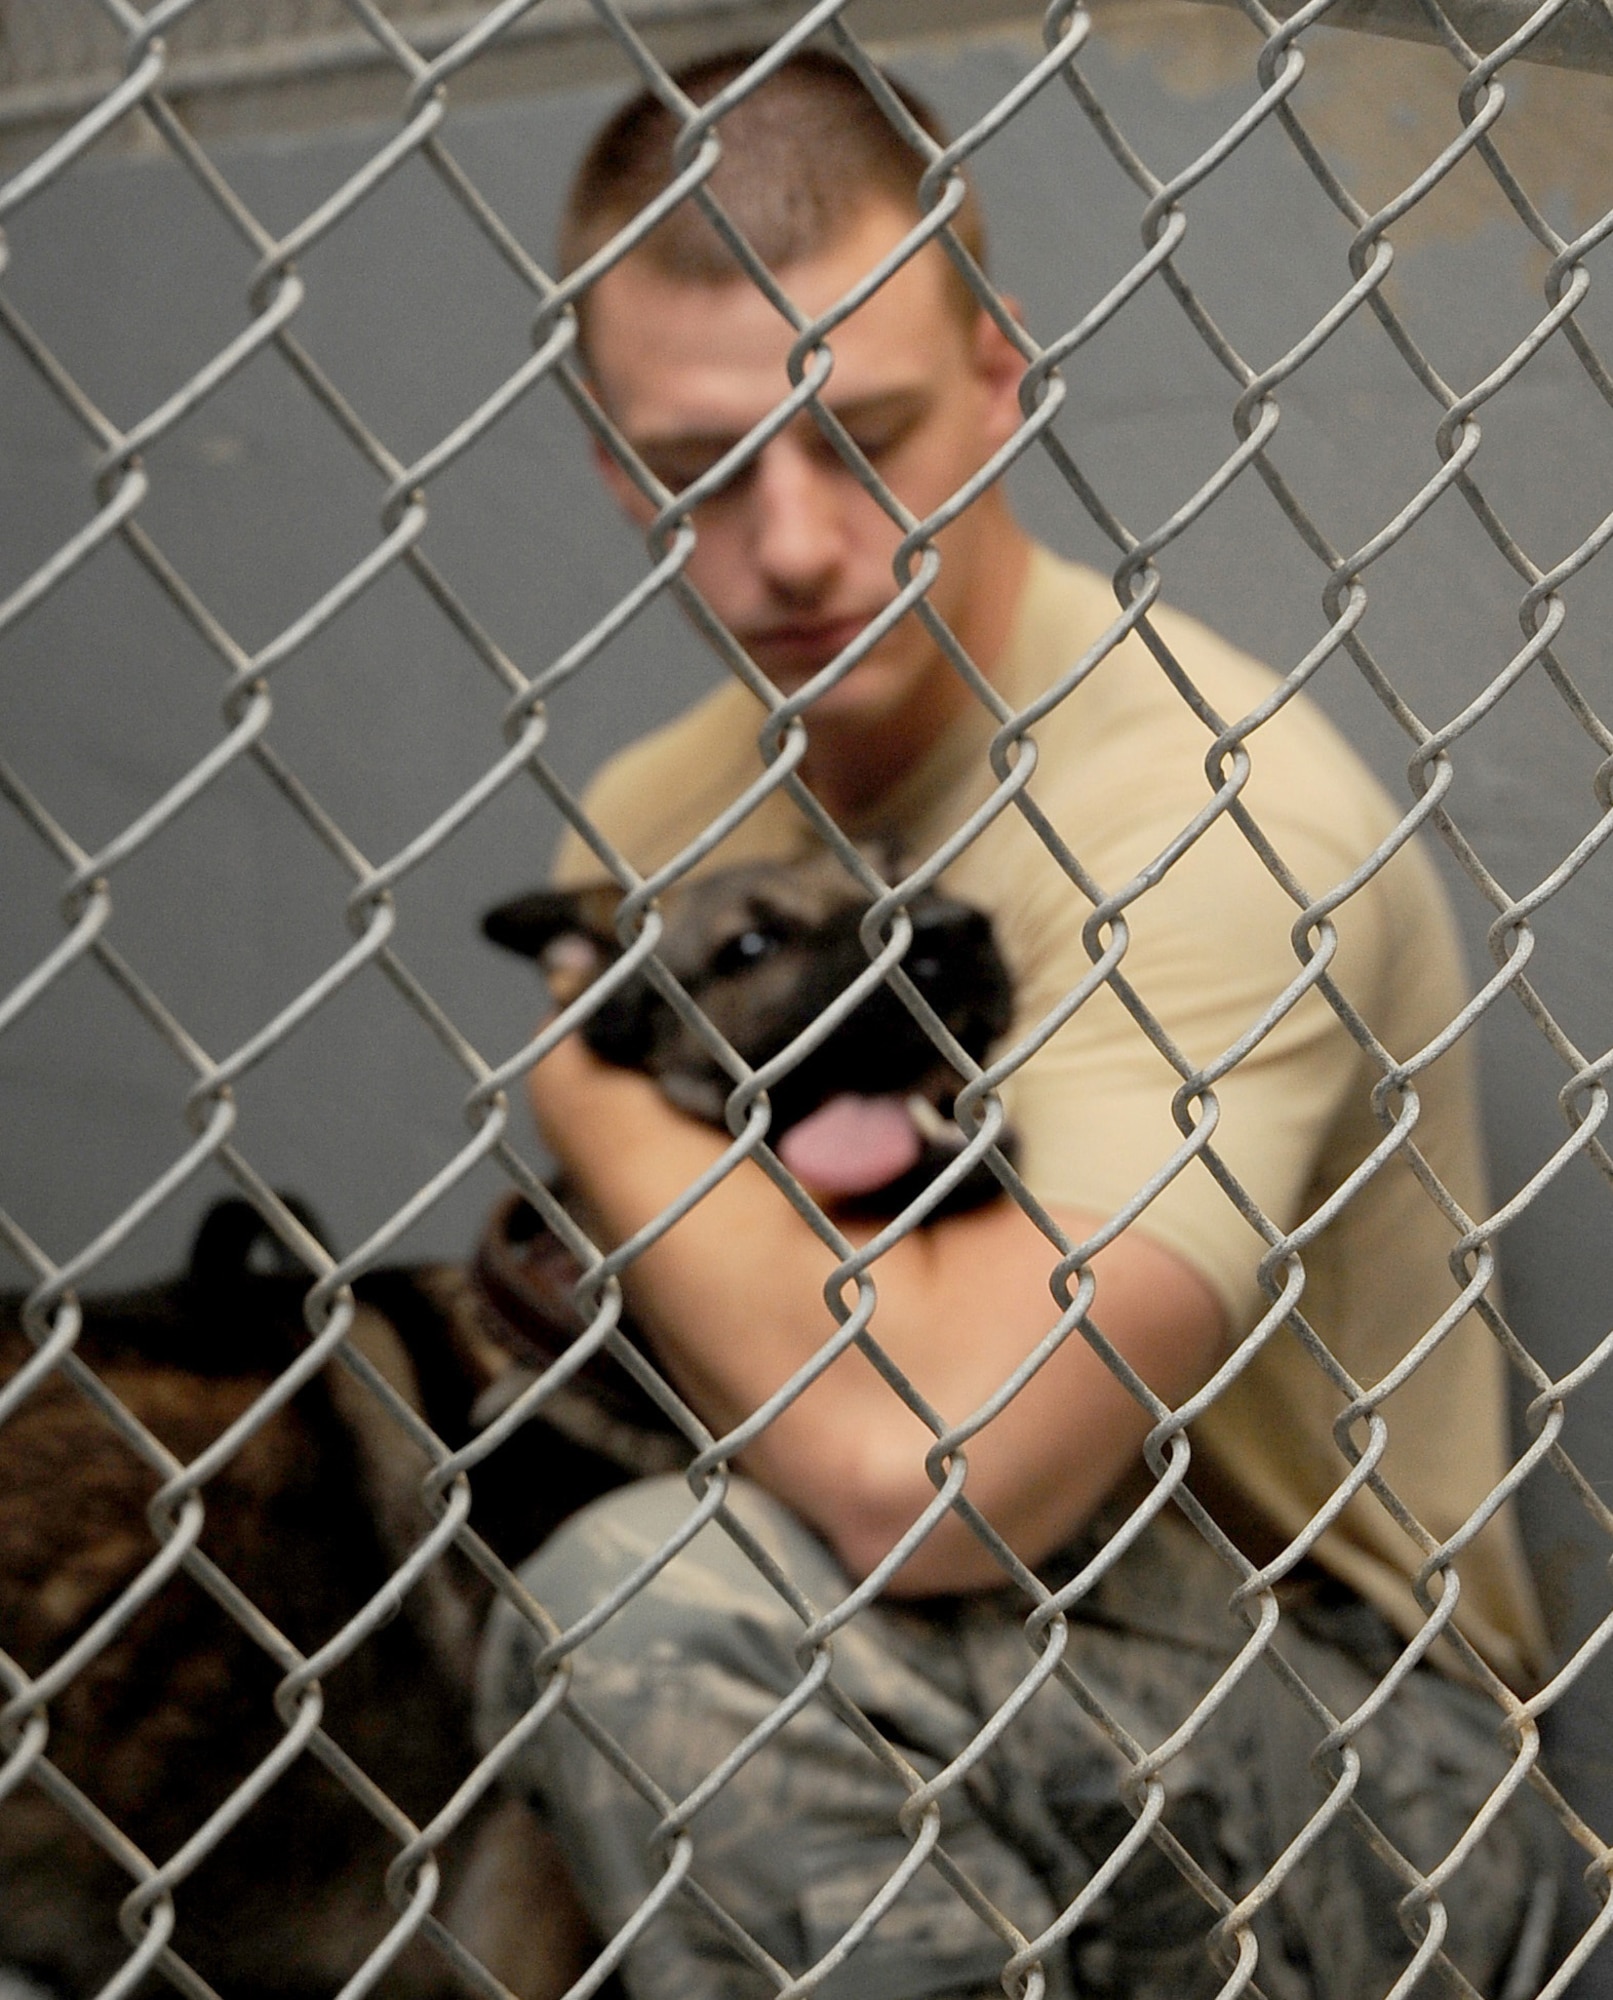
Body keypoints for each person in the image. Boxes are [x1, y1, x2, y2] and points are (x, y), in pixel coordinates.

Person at [477, 47, 1556, 2000]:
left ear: (1000, 382)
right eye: (708, 468)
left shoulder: (1216, 804)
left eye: (866, 434)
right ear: (616, 464)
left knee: (649, 1604)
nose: (794, 543)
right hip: (861, 1639)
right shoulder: (651, 821)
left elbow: (937, 1469)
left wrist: (591, 1082)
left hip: (1359, 1763)